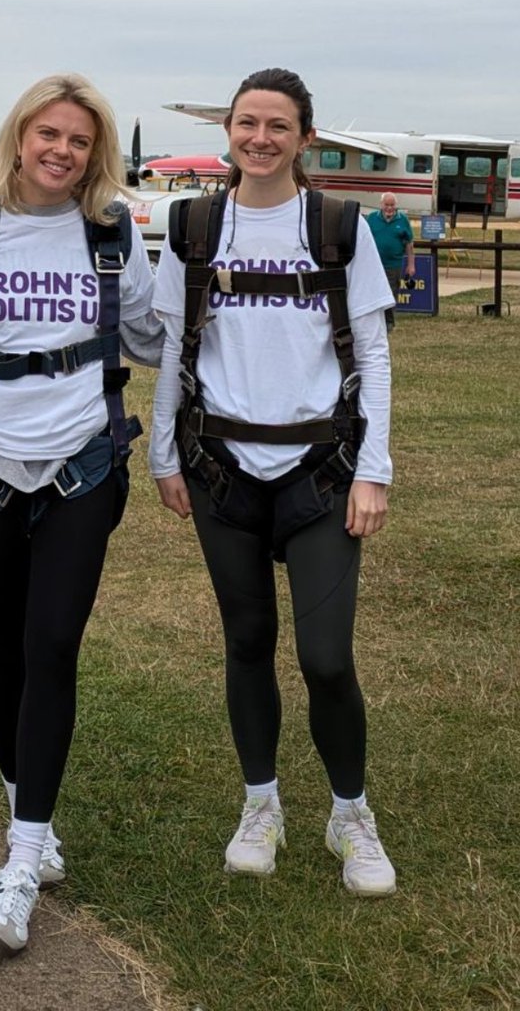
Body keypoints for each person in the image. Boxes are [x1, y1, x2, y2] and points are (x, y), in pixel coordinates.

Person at [0, 74, 162, 952]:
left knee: (52, 644)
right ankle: (35, 810)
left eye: (79, 141)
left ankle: (23, 856)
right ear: (18, 136)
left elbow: (150, 332)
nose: (61, 152)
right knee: (6, 645)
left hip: (81, 464)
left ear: (94, 152)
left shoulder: (109, 234)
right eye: (48, 135)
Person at [149, 67, 398, 897]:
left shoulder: (337, 226)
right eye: (247, 123)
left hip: (321, 473)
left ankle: (349, 814)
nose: (261, 138)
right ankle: (262, 806)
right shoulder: (190, 227)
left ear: (303, 137)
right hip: (223, 473)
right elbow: (170, 355)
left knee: (326, 659)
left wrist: (375, 471)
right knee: (247, 643)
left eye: (278, 126)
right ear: (229, 130)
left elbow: (375, 353)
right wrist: (161, 456)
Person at [366, 191, 415, 329]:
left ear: (396, 205)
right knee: (373, 291)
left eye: (392, 205)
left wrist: (411, 265)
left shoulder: (403, 219)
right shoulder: (371, 218)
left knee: (390, 293)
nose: (389, 208)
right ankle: (374, 320)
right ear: (381, 205)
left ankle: (389, 322)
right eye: (386, 205)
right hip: (374, 264)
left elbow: (409, 244)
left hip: (393, 264)